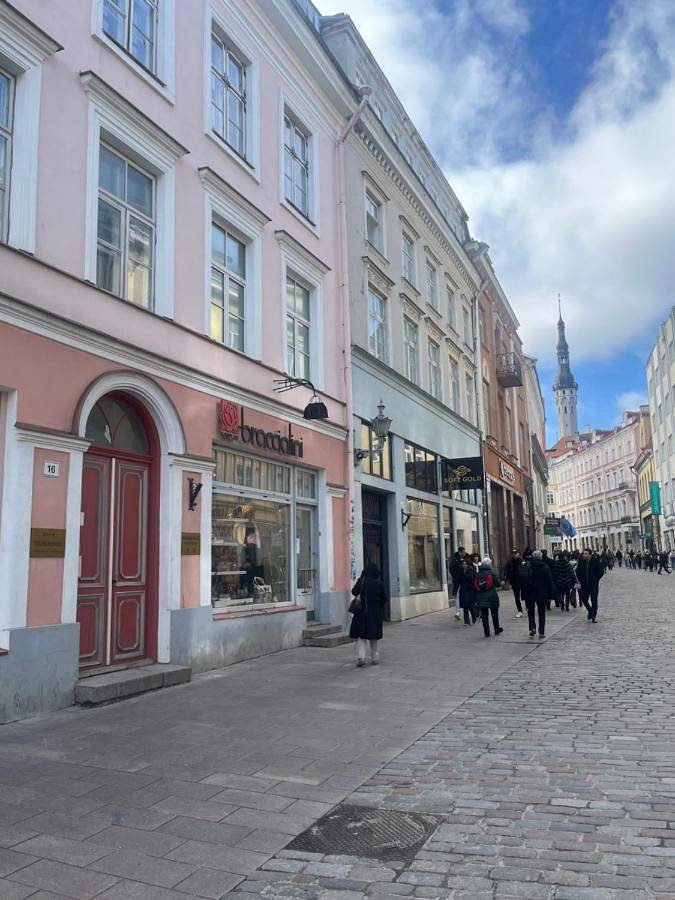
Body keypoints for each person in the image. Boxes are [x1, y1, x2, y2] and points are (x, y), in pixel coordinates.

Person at [350, 562, 388, 666]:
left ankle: (361, 657)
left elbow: (354, 592)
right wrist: (378, 606)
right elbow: (384, 598)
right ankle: (375, 657)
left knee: (361, 636)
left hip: (361, 613)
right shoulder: (378, 583)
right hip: (374, 614)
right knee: (373, 636)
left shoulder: (362, 581)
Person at [522, 550, 560, 639]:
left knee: (530, 611)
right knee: (541, 612)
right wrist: (552, 594)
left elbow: (524, 580)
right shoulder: (545, 567)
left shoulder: (528, 566)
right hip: (542, 592)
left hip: (530, 592)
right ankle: (541, 632)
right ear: (541, 557)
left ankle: (532, 627)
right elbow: (549, 581)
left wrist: (524, 593)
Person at [474, 557, 503, 638]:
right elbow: (498, 584)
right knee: (494, 614)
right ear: (489, 564)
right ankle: (496, 629)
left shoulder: (478, 574)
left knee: (484, 616)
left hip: (481, 597)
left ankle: (487, 632)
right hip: (492, 596)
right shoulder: (492, 573)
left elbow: (475, 586)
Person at [577, 548, 603, 623]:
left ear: (590, 555)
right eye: (583, 554)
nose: (584, 555)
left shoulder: (595, 562)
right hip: (584, 585)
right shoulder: (581, 562)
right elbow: (578, 571)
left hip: (593, 585)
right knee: (584, 599)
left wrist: (596, 579)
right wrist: (581, 579)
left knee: (594, 600)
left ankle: (593, 616)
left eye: (586, 554)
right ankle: (590, 610)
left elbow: (601, 571)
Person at [503, 550, 524, 618]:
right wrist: (505, 579)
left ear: (518, 554)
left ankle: (528, 607)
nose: (514, 555)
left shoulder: (522, 561)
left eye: (515, 553)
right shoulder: (509, 562)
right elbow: (506, 571)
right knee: (517, 597)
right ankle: (520, 611)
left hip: (522, 581)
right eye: (513, 554)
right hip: (514, 582)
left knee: (526, 595)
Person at [450, 547, 469, 620]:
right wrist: (455, 576)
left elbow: (470, 567)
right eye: (463, 552)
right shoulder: (455, 559)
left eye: (464, 552)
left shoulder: (467, 557)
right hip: (458, 581)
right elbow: (451, 568)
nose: (464, 553)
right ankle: (457, 612)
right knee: (457, 595)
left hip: (466, 580)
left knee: (467, 595)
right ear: (459, 552)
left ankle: (471, 610)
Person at [457, 558, 478, 626]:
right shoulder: (460, 571)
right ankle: (466, 622)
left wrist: (464, 574)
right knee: (465, 606)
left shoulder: (470, 570)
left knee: (470, 606)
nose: (464, 565)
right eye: (463, 564)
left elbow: (470, 579)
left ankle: (473, 617)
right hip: (463, 589)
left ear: (468, 565)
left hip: (470, 590)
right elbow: (458, 580)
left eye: (465, 564)